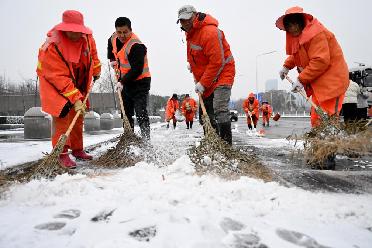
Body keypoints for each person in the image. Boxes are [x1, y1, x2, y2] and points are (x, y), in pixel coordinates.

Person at [276, 6, 349, 169]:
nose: (292, 28)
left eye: (294, 24)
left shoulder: (317, 34)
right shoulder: (300, 38)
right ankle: (320, 152)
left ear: (301, 23)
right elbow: (297, 54)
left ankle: (328, 156)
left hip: (333, 82)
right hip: (318, 83)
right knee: (317, 118)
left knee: (328, 119)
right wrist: (286, 66)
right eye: (289, 26)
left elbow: (320, 61)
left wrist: (301, 79)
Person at [36, 10, 101, 168]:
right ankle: (61, 153)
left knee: (78, 116)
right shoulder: (52, 46)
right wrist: (74, 97)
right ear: (64, 29)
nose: (75, 34)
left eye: (78, 31)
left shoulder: (87, 37)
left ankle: (77, 149)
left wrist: (96, 70)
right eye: (71, 32)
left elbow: (93, 54)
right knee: (62, 117)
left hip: (79, 79)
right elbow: (59, 76)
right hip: (55, 84)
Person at [177, 5, 235, 144]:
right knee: (205, 113)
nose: (184, 23)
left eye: (187, 19)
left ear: (195, 16)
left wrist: (203, 83)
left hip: (222, 73)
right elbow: (197, 52)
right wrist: (191, 63)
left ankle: (226, 145)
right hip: (206, 75)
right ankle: (211, 142)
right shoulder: (190, 32)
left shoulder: (209, 32)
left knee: (219, 109)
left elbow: (217, 62)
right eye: (181, 21)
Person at [108, 17, 151, 140]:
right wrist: (111, 58)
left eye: (125, 32)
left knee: (140, 112)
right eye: (119, 32)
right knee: (125, 113)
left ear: (130, 30)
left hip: (140, 82)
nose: (122, 35)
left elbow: (137, 69)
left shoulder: (136, 46)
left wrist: (122, 81)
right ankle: (129, 138)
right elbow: (109, 43)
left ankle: (146, 140)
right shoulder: (114, 37)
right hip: (124, 81)